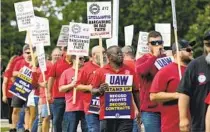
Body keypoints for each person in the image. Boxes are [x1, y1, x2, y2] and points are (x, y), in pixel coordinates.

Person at [91, 46, 139, 132]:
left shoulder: (130, 71)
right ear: (109, 57)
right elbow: (93, 91)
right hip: (107, 115)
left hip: (126, 115)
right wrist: (100, 90)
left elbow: (135, 92)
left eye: (121, 53)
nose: (121, 55)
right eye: (117, 53)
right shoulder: (100, 72)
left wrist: (139, 110)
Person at [150, 40, 193, 132]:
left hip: (195, 124)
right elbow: (153, 96)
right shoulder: (165, 71)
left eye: (191, 49)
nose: (191, 51)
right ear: (177, 52)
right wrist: (177, 95)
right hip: (172, 125)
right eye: (188, 50)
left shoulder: (194, 70)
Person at [177, 31, 210, 132]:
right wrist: (183, 118)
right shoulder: (195, 65)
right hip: (199, 123)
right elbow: (184, 92)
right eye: (208, 45)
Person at [135, 31, 165, 132]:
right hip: (150, 109)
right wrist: (154, 56)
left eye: (159, 42)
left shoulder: (167, 59)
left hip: (166, 107)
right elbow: (142, 71)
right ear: (148, 45)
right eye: (153, 43)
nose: (157, 45)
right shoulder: (142, 59)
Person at [74, 45, 107, 132]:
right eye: (101, 53)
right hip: (92, 107)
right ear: (94, 55)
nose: (104, 55)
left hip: (107, 106)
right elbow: (77, 86)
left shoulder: (109, 67)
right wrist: (89, 87)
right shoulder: (86, 68)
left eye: (105, 52)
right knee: (94, 130)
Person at [10, 45, 39, 132]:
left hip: (30, 90)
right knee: (15, 109)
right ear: (24, 54)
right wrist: (21, 72)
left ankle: (26, 128)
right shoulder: (19, 62)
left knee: (27, 110)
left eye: (31, 53)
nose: (29, 54)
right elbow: (13, 73)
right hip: (20, 87)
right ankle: (13, 127)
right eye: (27, 53)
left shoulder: (36, 63)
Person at [59, 55, 87, 132]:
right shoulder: (66, 72)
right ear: (74, 59)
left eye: (84, 58)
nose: (83, 60)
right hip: (72, 106)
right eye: (80, 58)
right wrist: (71, 85)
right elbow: (61, 89)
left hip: (86, 106)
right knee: (70, 129)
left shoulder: (86, 72)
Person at [47, 52, 72, 132]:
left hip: (72, 97)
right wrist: (49, 92)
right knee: (57, 120)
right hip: (58, 97)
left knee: (68, 120)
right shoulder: (58, 63)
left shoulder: (78, 64)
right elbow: (51, 78)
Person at [122, 45, 141, 132]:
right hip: (143, 100)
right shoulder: (140, 63)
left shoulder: (123, 66)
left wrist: (135, 108)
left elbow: (127, 88)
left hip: (129, 102)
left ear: (124, 54)